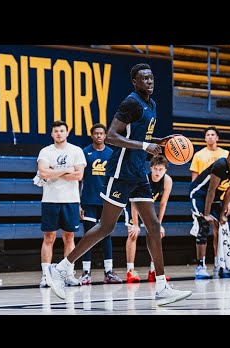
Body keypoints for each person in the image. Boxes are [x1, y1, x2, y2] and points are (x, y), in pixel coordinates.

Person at [48, 63, 192, 306]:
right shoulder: (131, 102)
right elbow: (113, 136)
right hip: (121, 172)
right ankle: (61, 268)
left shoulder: (152, 105)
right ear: (135, 82)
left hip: (138, 173)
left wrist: (160, 141)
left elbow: (141, 137)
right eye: (143, 78)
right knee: (106, 226)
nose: (149, 81)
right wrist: (146, 146)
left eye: (151, 77)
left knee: (154, 227)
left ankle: (161, 286)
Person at [36, 120, 86, 288]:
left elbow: (79, 175)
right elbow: (43, 172)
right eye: (55, 131)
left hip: (71, 200)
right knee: (49, 237)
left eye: (61, 130)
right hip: (50, 200)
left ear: (67, 133)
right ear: (52, 134)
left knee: (69, 237)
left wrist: (53, 172)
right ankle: (45, 276)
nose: (58, 133)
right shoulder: (45, 151)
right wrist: (67, 170)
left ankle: (67, 274)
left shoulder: (76, 151)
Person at [78, 123, 122, 285]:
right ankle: (86, 272)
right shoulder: (84, 152)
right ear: (92, 135)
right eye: (96, 133)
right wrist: (79, 203)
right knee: (88, 236)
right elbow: (79, 180)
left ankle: (108, 272)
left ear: (105, 136)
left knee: (106, 235)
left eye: (101, 133)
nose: (98, 136)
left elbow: (115, 179)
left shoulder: (111, 154)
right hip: (88, 200)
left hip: (106, 201)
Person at [189, 149, 230, 279]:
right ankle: (200, 267)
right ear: (227, 159)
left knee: (222, 227)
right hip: (199, 194)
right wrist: (206, 213)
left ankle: (221, 265)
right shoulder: (220, 165)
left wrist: (222, 214)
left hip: (215, 198)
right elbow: (210, 190)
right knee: (203, 226)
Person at [124, 154, 173, 282]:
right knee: (133, 234)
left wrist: (159, 224)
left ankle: (153, 271)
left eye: (160, 169)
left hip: (147, 206)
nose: (157, 172)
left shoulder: (167, 180)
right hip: (132, 204)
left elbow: (163, 204)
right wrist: (135, 224)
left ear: (165, 170)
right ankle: (130, 271)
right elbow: (134, 202)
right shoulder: (143, 178)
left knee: (156, 234)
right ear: (151, 168)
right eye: (155, 169)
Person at [189, 126, 229, 278]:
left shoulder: (225, 155)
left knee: (220, 231)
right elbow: (194, 180)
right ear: (205, 138)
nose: (210, 137)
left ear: (217, 138)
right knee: (203, 229)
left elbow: (229, 181)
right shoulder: (199, 155)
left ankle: (219, 263)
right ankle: (201, 266)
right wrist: (195, 203)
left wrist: (229, 201)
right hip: (202, 196)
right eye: (207, 135)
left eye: (213, 134)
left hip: (218, 197)